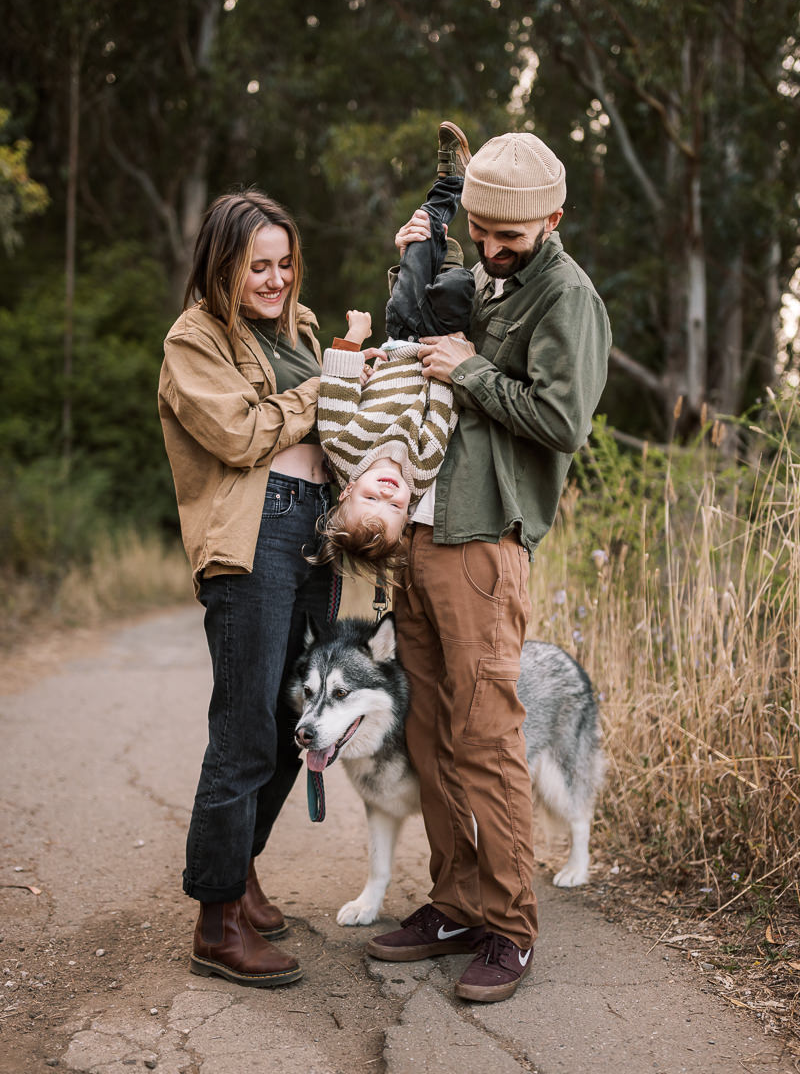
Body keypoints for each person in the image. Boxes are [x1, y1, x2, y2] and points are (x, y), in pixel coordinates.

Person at [366, 129, 612, 1003]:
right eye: (480, 233)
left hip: (483, 544)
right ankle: (454, 903)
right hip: (421, 536)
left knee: (488, 742)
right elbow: (413, 332)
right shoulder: (484, 270)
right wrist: (415, 258)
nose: (492, 250)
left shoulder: (566, 298)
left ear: (553, 218)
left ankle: (510, 928)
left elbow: (560, 423)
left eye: (509, 238)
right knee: (428, 736)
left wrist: (471, 370)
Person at [158, 190, 337, 988]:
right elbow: (239, 434)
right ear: (223, 266)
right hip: (252, 535)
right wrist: (325, 389)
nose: (275, 279)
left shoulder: (297, 327)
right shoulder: (193, 341)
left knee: (297, 714)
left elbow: (331, 418)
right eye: (256, 266)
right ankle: (216, 920)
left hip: (317, 532)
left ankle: (243, 870)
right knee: (242, 730)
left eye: (284, 262)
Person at [313, 124, 473, 580]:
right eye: (394, 506)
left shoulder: (342, 448)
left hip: (399, 338)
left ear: (346, 493)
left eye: (372, 499)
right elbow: (441, 415)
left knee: (420, 236)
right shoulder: (420, 474)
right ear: (408, 514)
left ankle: (452, 178)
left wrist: (353, 338)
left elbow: (336, 392)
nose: (387, 493)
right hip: (434, 349)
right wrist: (451, 360)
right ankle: (453, 237)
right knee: (457, 286)